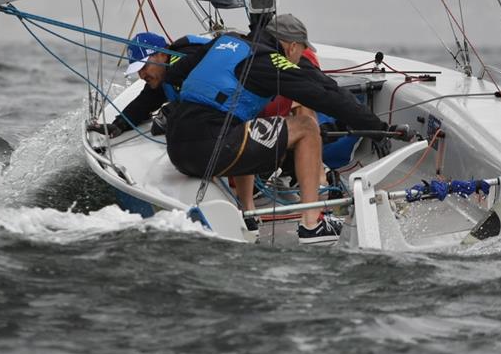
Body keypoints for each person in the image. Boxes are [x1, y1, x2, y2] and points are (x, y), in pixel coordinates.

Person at [162, 14, 410, 244]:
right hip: (213, 151)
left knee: (246, 124)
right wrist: (378, 129)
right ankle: (312, 224)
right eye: (301, 51)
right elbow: (326, 97)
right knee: (306, 126)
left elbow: (173, 74)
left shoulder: (226, 42)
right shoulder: (269, 62)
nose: (300, 58)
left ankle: (247, 216)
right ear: (291, 46)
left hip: (178, 152)